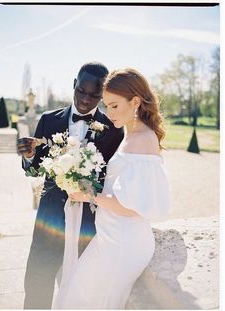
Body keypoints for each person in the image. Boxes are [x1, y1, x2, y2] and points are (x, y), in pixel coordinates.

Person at [53, 68, 170, 309]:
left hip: (124, 243)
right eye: (107, 106)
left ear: (135, 101)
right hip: (110, 237)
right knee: (77, 294)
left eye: (114, 105)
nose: (108, 112)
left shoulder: (144, 139)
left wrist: (87, 195)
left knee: (89, 300)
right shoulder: (130, 133)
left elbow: (131, 207)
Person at [17, 62, 124, 309]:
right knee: (37, 279)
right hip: (50, 216)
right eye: (81, 91)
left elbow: (112, 180)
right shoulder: (48, 120)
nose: (86, 99)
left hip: (89, 222)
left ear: (103, 95)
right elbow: (33, 170)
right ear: (74, 84)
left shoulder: (114, 131)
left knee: (84, 287)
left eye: (95, 95)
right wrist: (29, 156)